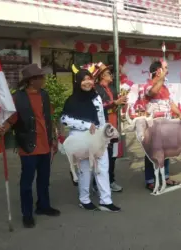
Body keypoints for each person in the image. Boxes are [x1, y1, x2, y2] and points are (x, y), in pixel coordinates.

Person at [0, 63, 60, 228]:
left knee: (44, 179)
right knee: (26, 183)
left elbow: (49, 118)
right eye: (40, 77)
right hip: (28, 146)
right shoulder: (18, 98)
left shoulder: (44, 95)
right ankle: (27, 214)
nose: (44, 79)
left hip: (45, 145)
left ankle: (43, 206)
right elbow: (12, 119)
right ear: (31, 81)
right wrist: (4, 129)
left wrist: (55, 137)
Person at [60, 63, 121, 212]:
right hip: (81, 139)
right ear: (78, 82)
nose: (87, 82)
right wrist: (85, 125)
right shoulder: (72, 100)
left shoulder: (96, 98)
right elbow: (64, 119)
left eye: (90, 79)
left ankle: (106, 200)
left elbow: (100, 118)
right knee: (85, 170)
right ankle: (84, 199)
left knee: (102, 168)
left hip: (98, 139)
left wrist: (105, 134)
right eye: (83, 79)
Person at [143, 59, 181, 191]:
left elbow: (170, 103)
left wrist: (179, 114)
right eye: (165, 68)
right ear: (158, 71)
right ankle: (150, 180)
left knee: (166, 151)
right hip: (153, 126)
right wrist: (161, 78)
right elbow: (153, 92)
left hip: (167, 125)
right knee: (152, 152)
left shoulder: (165, 88)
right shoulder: (148, 85)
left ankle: (165, 177)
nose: (167, 71)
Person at [94, 62, 127, 193]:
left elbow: (115, 105)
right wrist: (114, 103)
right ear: (102, 75)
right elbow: (98, 106)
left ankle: (110, 180)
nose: (111, 75)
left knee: (112, 156)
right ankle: (97, 183)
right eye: (108, 73)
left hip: (114, 125)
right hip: (103, 127)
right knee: (102, 156)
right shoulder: (96, 89)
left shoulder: (112, 88)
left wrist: (122, 102)